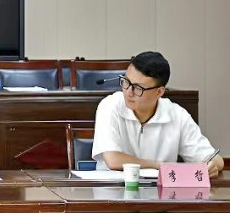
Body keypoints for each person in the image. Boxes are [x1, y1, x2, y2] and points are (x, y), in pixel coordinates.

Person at [92, 51, 224, 177]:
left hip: (159, 190)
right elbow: (113, 160)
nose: (128, 92)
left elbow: (215, 160)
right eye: (126, 81)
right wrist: (158, 165)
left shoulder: (177, 115)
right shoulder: (110, 106)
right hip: (113, 189)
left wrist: (212, 166)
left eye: (138, 88)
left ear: (159, 92)